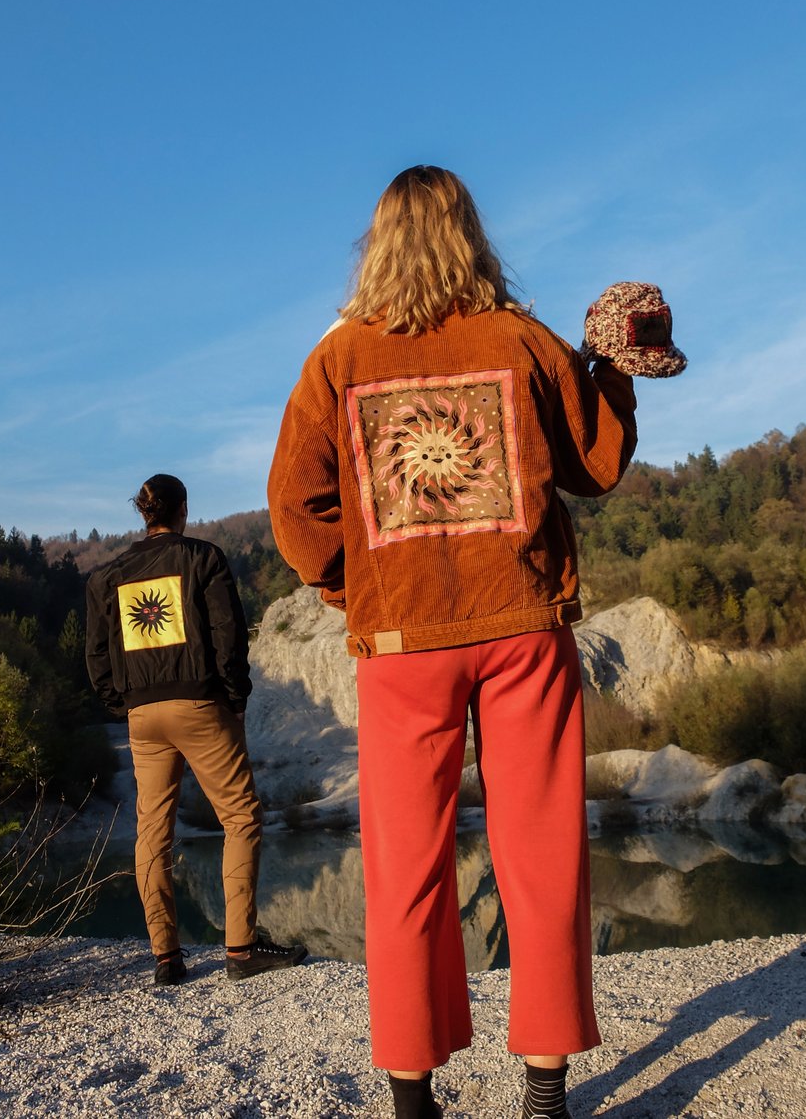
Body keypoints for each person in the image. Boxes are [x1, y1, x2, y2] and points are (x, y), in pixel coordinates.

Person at [267, 167, 638, 1119]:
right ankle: (546, 1087)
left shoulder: (338, 358)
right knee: (543, 849)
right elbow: (594, 462)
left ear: (376, 244)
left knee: (406, 862)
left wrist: (359, 589)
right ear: (473, 234)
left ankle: (411, 1092)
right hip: (521, 624)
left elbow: (294, 508)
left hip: (401, 644)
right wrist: (613, 374)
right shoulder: (518, 337)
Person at [85, 473, 307, 985]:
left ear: (143, 513)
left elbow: (97, 656)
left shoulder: (107, 577)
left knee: (152, 831)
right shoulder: (203, 558)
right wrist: (235, 699)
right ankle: (240, 949)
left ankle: (166, 958)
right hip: (200, 704)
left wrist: (122, 704)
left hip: (143, 716)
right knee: (241, 817)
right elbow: (228, 636)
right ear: (182, 509)